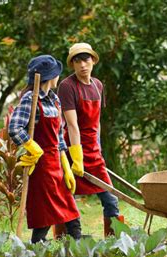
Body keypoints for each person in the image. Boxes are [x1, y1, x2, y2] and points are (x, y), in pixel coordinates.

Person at [9, 54, 81, 243]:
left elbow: (59, 136)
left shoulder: (55, 99)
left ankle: (80, 254)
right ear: (50, 76)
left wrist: (66, 166)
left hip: (56, 164)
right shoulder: (30, 99)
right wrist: (33, 147)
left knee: (71, 213)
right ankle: (36, 256)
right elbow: (14, 127)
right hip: (41, 168)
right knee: (44, 217)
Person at [57, 42, 123, 237]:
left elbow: (97, 122)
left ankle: (113, 241)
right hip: (74, 150)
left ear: (93, 60)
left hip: (94, 151)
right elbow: (71, 125)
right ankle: (71, 239)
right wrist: (76, 157)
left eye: (85, 59)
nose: (82, 65)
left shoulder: (98, 85)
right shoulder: (67, 86)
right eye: (77, 61)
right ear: (72, 65)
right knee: (67, 197)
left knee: (110, 198)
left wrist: (98, 147)